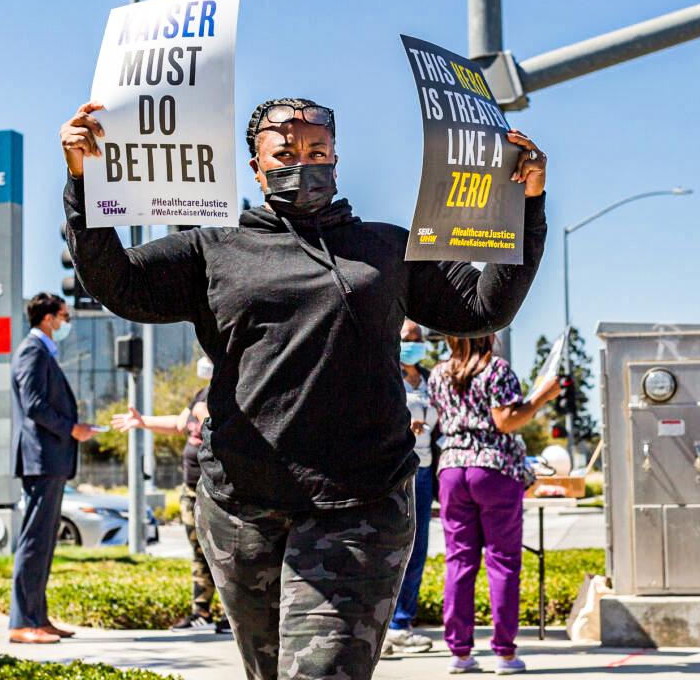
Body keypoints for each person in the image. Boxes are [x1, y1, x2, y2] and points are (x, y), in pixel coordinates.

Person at [59, 97, 548, 679]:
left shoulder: (389, 248)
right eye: (284, 153)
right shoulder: (212, 250)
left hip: (361, 505)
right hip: (241, 508)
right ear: (256, 167)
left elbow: (482, 306)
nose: (302, 164)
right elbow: (120, 285)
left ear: (337, 158)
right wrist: (82, 181)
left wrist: (527, 202)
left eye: (316, 152)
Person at [429, 334, 561, 675]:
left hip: (451, 469)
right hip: (493, 471)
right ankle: (504, 653)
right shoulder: (497, 370)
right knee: (502, 562)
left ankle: (460, 653)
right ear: (487, 335)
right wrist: (541, 398)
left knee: (459, 562)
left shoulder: (438, 373)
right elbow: (506, 421)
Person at [113, 356, 231, 634]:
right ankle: (200, 612)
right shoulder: (201, 395)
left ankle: (231, 616)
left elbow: (225, 429)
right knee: (199, 552)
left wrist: (204, 414)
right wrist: (142, 422)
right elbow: (179, 424)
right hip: (191, 489)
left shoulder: (228, 395)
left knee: (222, 554)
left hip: (216, 490)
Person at [9, 292, 96, 644]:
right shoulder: (32, 351)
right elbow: (34, 405)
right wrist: (71, 429)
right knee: (34, 542)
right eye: (64, 316)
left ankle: (37, 619)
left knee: (44, 543)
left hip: (51, 460)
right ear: (47, 319)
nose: (66, 323)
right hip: (41, 459)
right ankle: (21, 623)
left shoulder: (43, 352)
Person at [383, 320, 438, 656]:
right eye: (406, 338)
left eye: (417, 339)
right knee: (390, 545)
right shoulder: (386, 375)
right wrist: (404, 426)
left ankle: (402, 623)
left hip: (426, 470)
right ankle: (385, 622)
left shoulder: (432, 379)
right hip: (396, 468)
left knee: (417, 548)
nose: (413, 344)